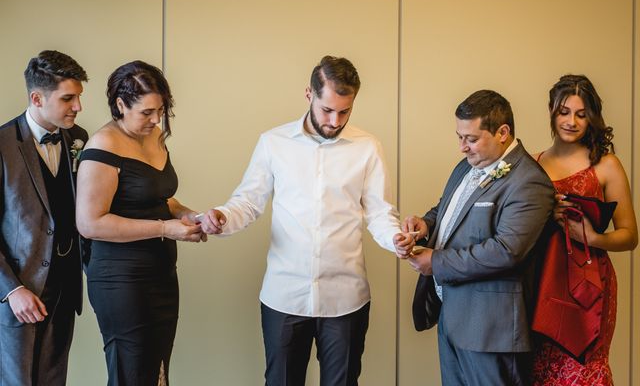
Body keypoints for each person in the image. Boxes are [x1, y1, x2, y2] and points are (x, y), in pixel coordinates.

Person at [199, 55, 415, 386]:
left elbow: (379, 211)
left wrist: (395, 239)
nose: (334, 120)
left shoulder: (367, 147)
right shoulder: (273, 142)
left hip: (345, 298)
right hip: (284, 295)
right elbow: (248, 201)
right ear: (309, 94)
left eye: (344, 111)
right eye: (327, 109)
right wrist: (222, 217)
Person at [404, 89, 555, 386]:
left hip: (492, 330)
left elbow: (507, 251)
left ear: (502, 132)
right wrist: (425, 224)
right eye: (459, 137)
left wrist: (436, 261)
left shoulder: (530, 182)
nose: (462, 147)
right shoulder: (466, 165)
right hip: (452, 316)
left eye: (471, 139)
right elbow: (449, 210)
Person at [75, 61, 205, 386]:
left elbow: (160, 198)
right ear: (120, 105)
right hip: (120, 280)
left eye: (160, 110)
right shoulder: (102, 146)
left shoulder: (155, 135)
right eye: (146, 112)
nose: (155, 119)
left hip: (161, 273)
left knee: (157, 369)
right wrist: (164, 228)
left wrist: (187, 215)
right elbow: (90, 223)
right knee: (131, 373)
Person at [530, 75, 637, 385]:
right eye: (564, 111)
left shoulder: (607, 165)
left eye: (581, 114)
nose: (571, 121)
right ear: (551, 110)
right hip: (542, 279)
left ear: (592, 117)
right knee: (537, 369)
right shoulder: (532, 164)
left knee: (584, 368)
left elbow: (630, 235)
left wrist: (593, 237)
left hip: (589, 285)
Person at [0, 50, 88, 385]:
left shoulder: (78, 139)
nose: (77, 107)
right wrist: (12, 291)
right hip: (19, 294)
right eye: (68, 98)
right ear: (37, 97)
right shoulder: (3, 144)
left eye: (78, 97)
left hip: (65, 289)